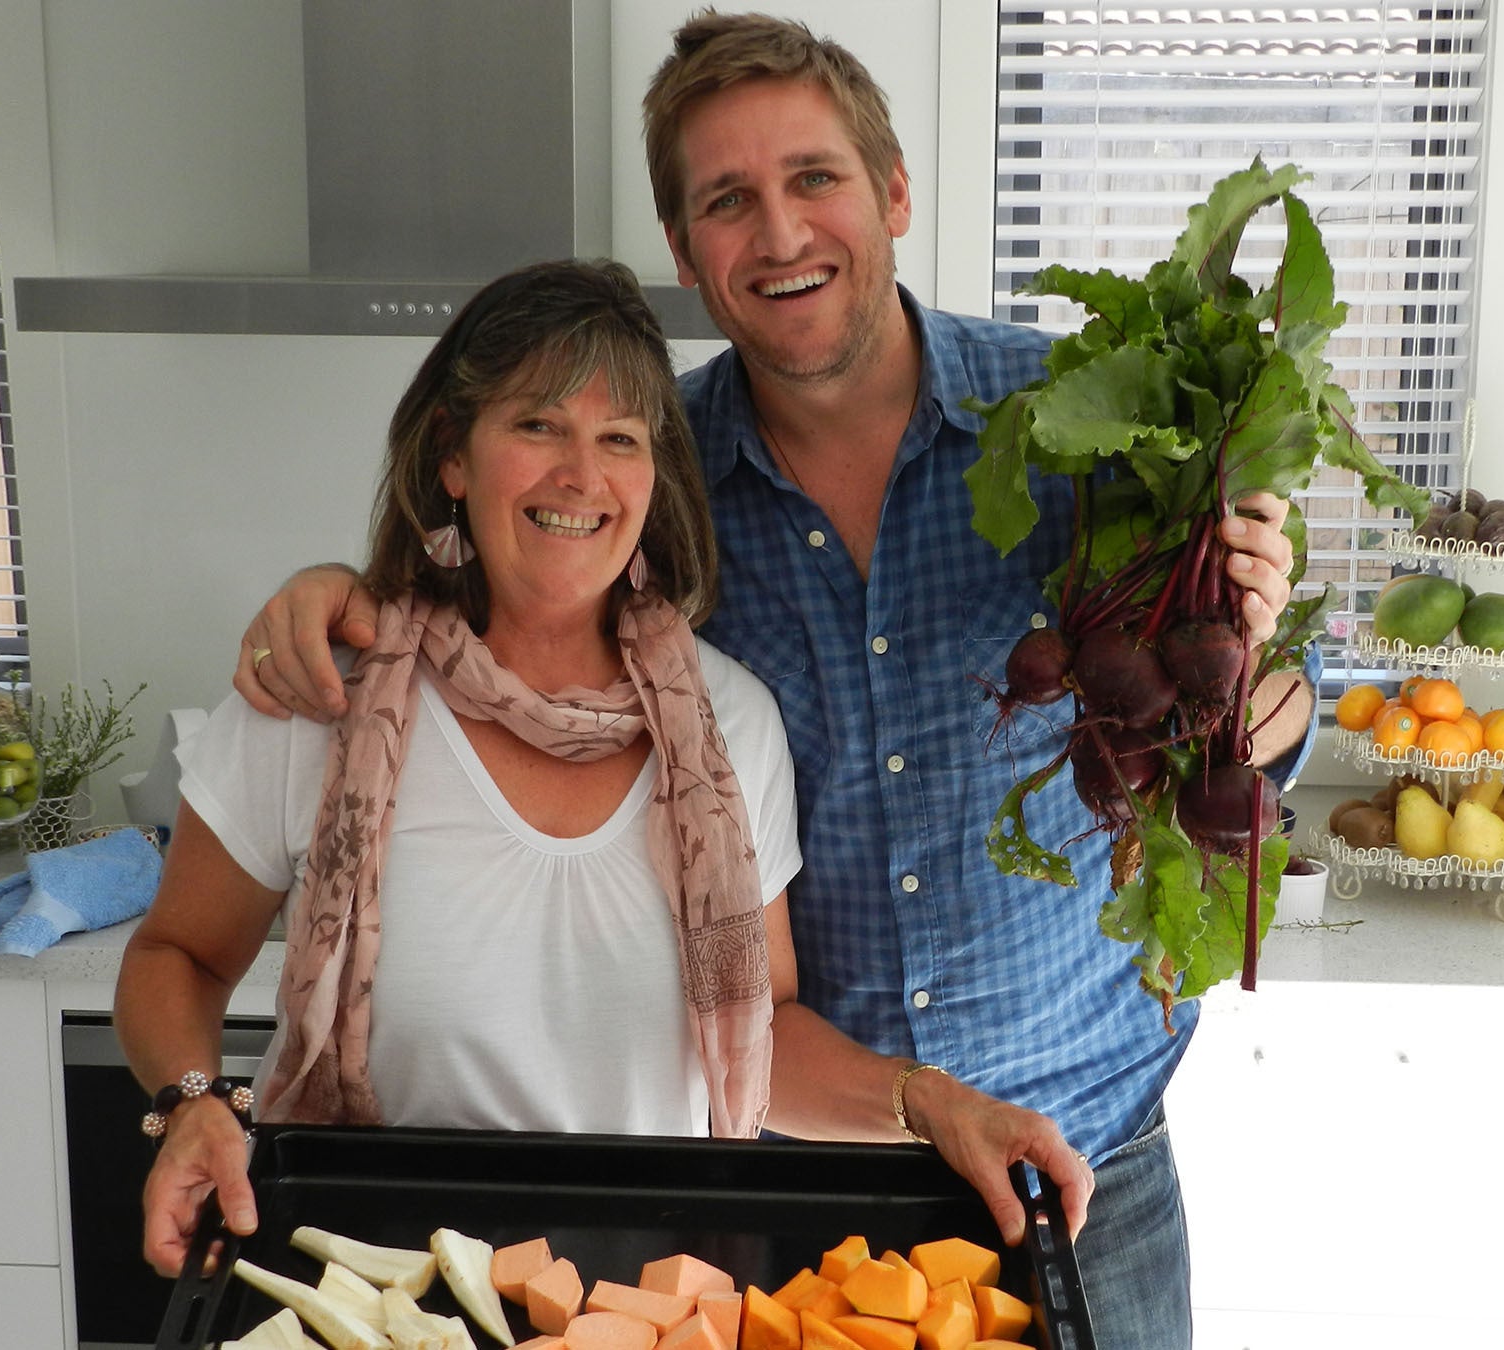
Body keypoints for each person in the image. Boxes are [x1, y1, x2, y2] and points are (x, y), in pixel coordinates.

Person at [229, 17, 1316, 1346]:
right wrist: (337, 592)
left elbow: (1245, 724)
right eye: (728, 201)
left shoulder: (1081, 423)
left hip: (1088, 1165)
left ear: (893, 191)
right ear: (686, 251)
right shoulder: (651, 472)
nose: (781, 232)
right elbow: (496, 596)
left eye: (814, 178)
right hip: (810, 1174)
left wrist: (1250, 659)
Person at [117, 257, 1089, 1281]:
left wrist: (932, 1104)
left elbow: (764, 1033)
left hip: (642, 1305)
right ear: (453, 456)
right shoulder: (321, 700)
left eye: (620, 438)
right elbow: (177, 953)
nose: (581, 476)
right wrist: (189, 1104)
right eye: (538, 425)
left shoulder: (727, 725)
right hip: (371, 1295)